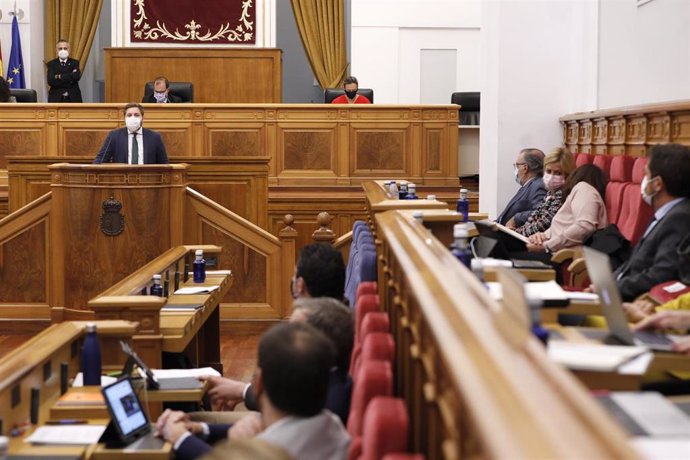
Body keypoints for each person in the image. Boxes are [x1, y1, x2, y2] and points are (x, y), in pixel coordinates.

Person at [155, 322, 350, 460]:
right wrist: (201, 429)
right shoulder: (333, 424)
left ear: (260, 383)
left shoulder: (271, 448)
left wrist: (180, 438)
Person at [199, 297, 354, 425]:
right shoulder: (329, 378)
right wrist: (243, 390)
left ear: (319, 343)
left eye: (293, 331)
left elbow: (287, 408)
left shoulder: (328, 406)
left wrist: (183, 440)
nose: (285, 337)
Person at [614, 144, 690, 301]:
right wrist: (605, 285)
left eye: (646, 174)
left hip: (634, 306)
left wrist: (612, 288)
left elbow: (661, 274)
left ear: (657, 184)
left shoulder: (680, 218)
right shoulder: (665, 213)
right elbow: (633, 265)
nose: (643, 180)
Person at [527, 163, 608, 253]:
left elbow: (584, 227)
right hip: (554, 250)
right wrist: (542, 236)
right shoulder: (582, 191)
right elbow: (563, 225)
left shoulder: (584, 189)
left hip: (561, 255)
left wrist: (547, 246)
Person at [515, 147, 575, 236]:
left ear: (567, 175)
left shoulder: (564, 195)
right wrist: (517, 230)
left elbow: (542, 225)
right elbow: (534, 218)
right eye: (549, 171)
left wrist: (517, 232)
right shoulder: (551, 193)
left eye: (558, 173)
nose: (551, 177)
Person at [93, 103, 169, 164]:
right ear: (124, 118)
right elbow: (100, 160)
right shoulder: (114, 136)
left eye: (136, 115)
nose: (133, 118)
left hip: (147, 179)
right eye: (129, 115)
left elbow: (164, 163)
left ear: (142, 118)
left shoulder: (154, 137)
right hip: (122, 179)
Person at [496, 148, 547, 227]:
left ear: (525, 168)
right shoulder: (527, 185)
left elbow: (541, 212)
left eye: (517, 165)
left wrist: (517, 218)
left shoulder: (539, 185)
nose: (516, 169)